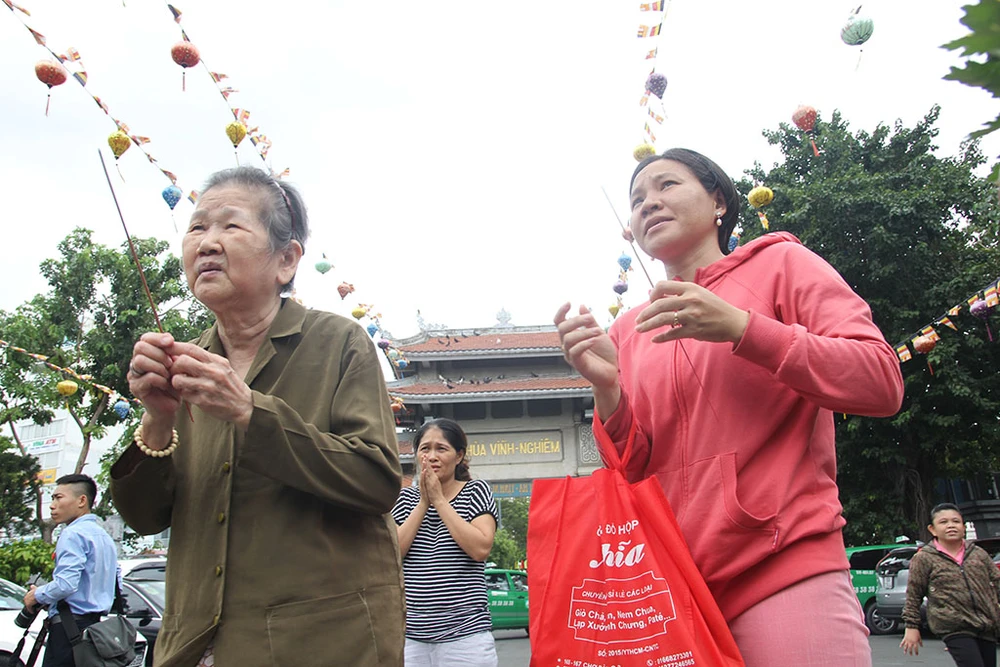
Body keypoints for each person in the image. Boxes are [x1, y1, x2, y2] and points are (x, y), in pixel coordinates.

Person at [555, 148, 904, 666]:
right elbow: (630, 470)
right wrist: (607, 390)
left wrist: (744, 329)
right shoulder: (627, 330)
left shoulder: (781, 264)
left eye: (667, 185)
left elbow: (880, 381)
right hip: (670, 591)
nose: (649, 203)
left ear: (718, 199)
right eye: (636, 199)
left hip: (783, 566)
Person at [110, 166, 405, 667]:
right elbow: (143, 519)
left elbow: (376, 481)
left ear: (286, 260)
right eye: (197, 227)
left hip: (323, 645)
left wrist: (250, 411)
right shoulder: (183, 366)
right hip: (194, 645)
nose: (206, 243)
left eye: (230, 226)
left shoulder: (338, 342)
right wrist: (156, 421)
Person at [392, 418, 499, 666]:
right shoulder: (404, 498)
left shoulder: (476, 491)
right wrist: (423, 503)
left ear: (459, 455)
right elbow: (393, 553)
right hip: (412, 638)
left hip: (466, 637)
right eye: (425, 448)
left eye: (441, 448)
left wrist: (439, 501)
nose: (432, 456)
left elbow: (480, 549)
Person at [22, 474, 117, 667]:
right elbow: (117, 582)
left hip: (68, 630)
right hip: (96, 630)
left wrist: (36, 595)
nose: (52, 505)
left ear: (82, 500)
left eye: (58, 497)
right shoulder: (104, 537)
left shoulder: (72, 533)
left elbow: (66, 584)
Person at [901, 503, 1000, 666]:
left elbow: (997, 583)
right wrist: (911, 626)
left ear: (963, 526)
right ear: (932, 529)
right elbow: (914, 594)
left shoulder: (978, 554)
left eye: (955, 521)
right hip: (954, 626)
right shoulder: (925, 558)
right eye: (943, 522)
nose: (951, 526)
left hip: (986, 624)